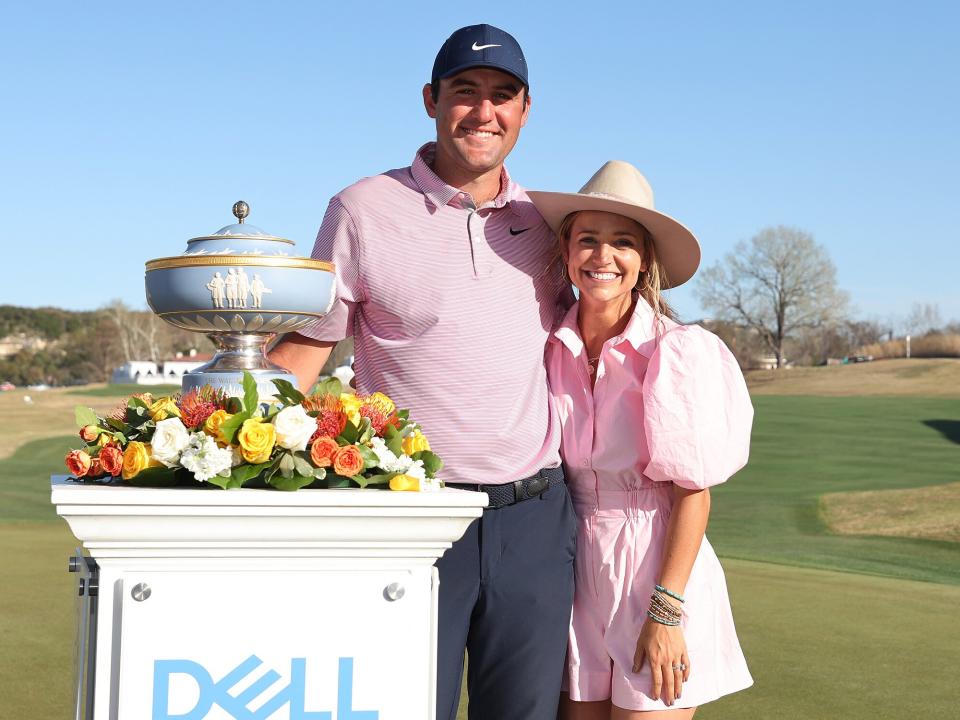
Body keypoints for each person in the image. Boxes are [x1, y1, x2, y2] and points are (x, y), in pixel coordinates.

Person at [269, 24, 577, 720]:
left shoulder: (550, 225)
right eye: (465, 93)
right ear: (431, 99)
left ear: (525, 111)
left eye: (504, 96)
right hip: (413, 518)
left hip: (533, 519)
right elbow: (305, 353)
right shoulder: (360, 209)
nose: (484, 111)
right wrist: (207, 422)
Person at [528, 161, 754, 719]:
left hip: (656, 566)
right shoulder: (544, 341)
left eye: (622, 243)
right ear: (565, 247)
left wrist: (667, 612)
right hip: (570, 565)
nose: (603, 257)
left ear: (644, 259)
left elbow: (692, 492)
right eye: (589, 240)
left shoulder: (677, 353)